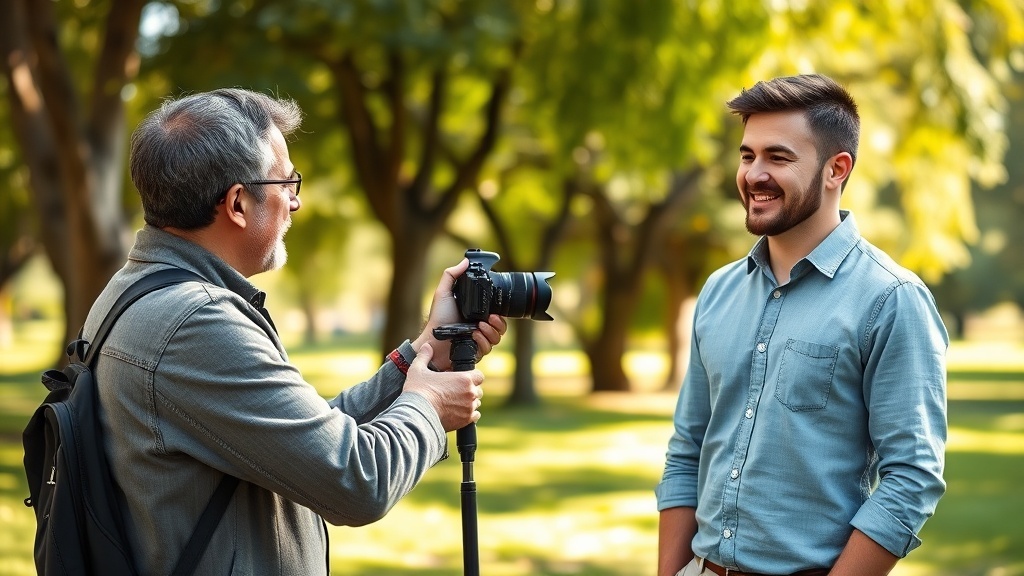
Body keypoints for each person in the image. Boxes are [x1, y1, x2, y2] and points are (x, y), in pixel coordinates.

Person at [83, 88, 507, 575]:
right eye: (286, 182)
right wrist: (429, 407)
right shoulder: (194, 323)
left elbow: (301, 440)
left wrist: (425, 352)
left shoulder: (137, 291)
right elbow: (357, 481)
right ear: (237, 203)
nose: (296, 201)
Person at [656, 74, 948, 576]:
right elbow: (687, 451)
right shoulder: (718, 291)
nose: (754, 174)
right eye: (747, 156)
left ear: (837, 169)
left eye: (778, 157)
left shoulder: (891, 299)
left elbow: (912, 478)